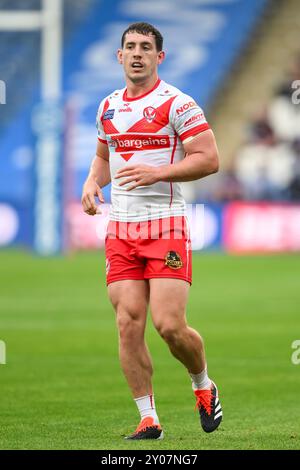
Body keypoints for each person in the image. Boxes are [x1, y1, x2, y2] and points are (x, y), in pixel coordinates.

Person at [81, 22, 222, 440]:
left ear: (160, 57)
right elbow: (103, 156)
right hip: (120, 228)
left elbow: (209, 159)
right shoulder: (107, 106)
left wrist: (158, 171)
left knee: (169, 325)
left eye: (146, 47)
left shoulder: (178, 103)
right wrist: (92, 183)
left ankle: (203, 384)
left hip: (165, 224)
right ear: (119, 56)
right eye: (130, 47)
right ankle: (148, 419)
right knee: (128, 323)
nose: (137, 53)